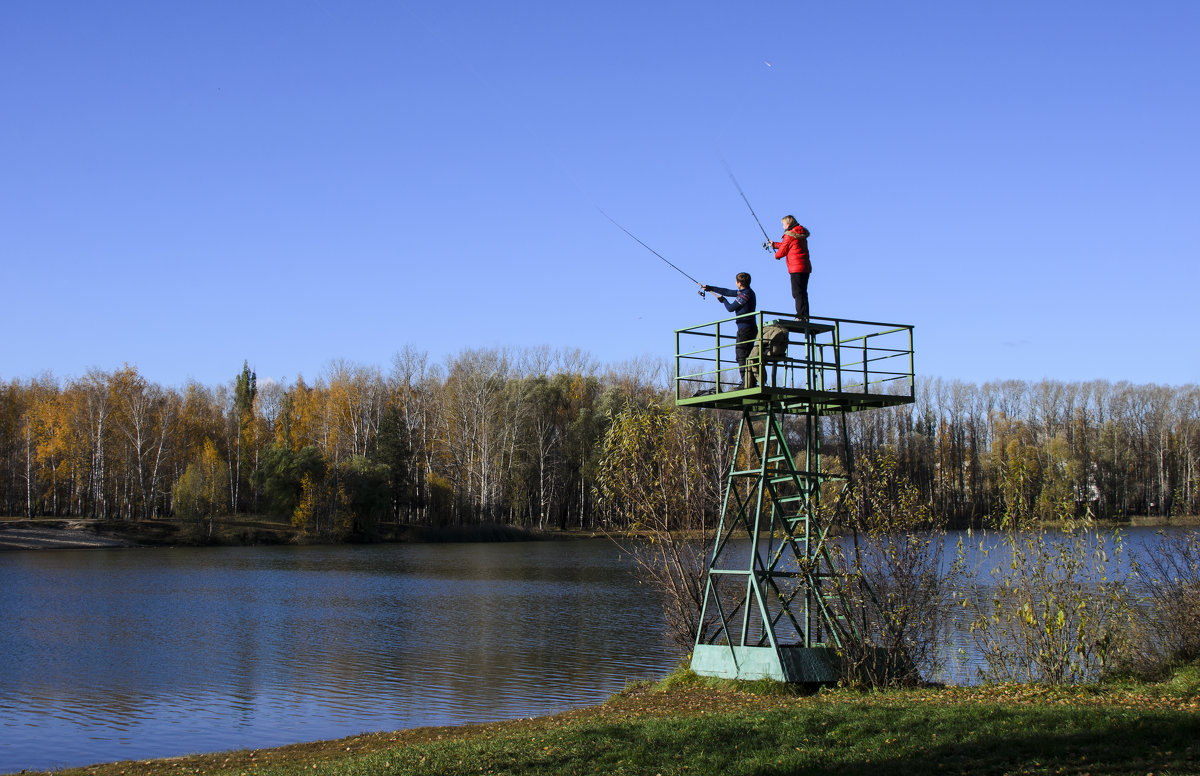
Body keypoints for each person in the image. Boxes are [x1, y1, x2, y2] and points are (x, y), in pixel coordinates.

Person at [700, 272, 758, 388]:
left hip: (745, 329)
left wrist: (724, 301)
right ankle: (749, 381)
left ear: (739, 282)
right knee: (746, 354)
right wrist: (710, 288)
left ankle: (746, 382)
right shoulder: (744, 292)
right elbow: (727, 291)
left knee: (741, 354)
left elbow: (731, 308)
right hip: (749, 328)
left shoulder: (745, 295)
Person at [769, 215, 811, 320]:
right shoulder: (800, 234)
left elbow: (782, 251)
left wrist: (775, 255)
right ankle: (805, 316)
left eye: (783, 224)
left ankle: (800, 316)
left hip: (796, 268)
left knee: (796, 293)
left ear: (788, 224)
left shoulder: (789, 235)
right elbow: (787, 245)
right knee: (802, 292)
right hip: (805, 267)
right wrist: (774, 244)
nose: (783, 226)